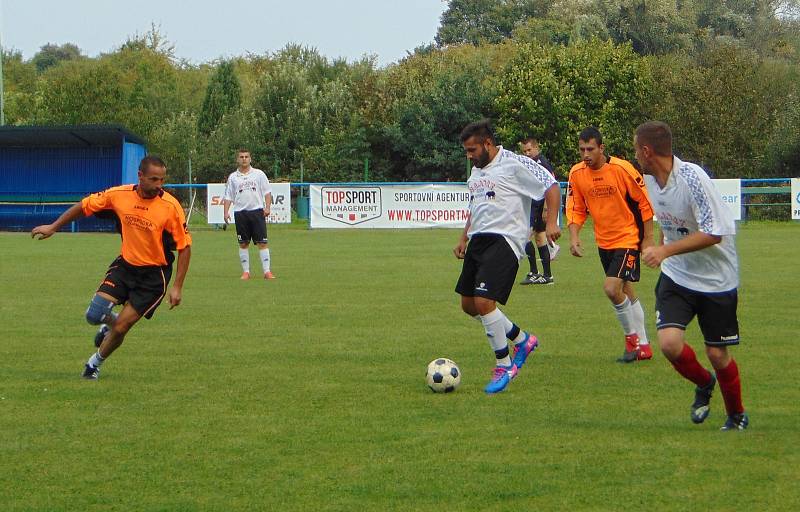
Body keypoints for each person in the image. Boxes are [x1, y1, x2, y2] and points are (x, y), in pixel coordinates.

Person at [31, 156, 192, 380]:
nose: (159, 185)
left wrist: (177, 287)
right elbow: (84, 206)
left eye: (162, 180)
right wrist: (53, 227)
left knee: (122, 328)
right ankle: (110, 325)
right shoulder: (119, 195)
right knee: (94, 315)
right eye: (153, 179)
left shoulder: (170, 206)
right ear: (140, 176)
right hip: (125, 267)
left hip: (153, 278)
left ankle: (93, 364)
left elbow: (185, 247)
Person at [635, 121, 748, 430]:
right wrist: (660, 244)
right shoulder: (649, 180)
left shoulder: (692, 178)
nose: (636, 155)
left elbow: (713, 233)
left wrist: (663, 252)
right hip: (678, 276)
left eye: (636, 149)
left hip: (716, 279)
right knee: (670, 344)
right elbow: (669, 219)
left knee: (716, 352)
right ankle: (703, 383)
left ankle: (736, 415)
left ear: (647, 151)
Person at [454, 120, 561, 394]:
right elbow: (475, 206)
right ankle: (522, 339)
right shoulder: (476, 174)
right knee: (469, 305)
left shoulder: (514, 163)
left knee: (484, 301)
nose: (469, 156)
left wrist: (551, 221)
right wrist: (464, 237)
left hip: (505, 240)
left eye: (472, 150)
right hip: (479, 239)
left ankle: (504, 365)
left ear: (487, 144)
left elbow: (550, 185)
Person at [566, 127, 654, 363]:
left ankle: (631, 341)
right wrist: (574, 236)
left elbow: (645, 204)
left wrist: (647, 239)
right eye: (582, 149)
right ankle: (644, 346)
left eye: (591, 149)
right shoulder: (577, 173)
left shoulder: (622, 169)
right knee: (625, 290)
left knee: (611, 288)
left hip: (627, 238)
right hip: (604, 242)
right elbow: (576, 208)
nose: (586, 154)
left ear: (601, 148)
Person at [223, 149, 275, 280]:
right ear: (237, 160)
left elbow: (267, 192)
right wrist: (225, 212)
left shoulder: (259, 174)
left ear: (250, 159)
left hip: (257, 212)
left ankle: (267, 271)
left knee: (262, 243)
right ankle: (246, 272)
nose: (244, 159)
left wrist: (267, 207)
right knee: (243, 243)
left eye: (246, 157)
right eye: (241, 157)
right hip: (240, 213)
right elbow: (228, 196)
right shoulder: (233, 177)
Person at [519, 137, 560, 285]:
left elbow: (551, 186)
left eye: (529, 150)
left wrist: (546, 209)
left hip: (539, 205)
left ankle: (537, 272)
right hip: (533, 204)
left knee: (525, 236)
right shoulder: (528, 163)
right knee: (538, 237)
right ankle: (544, 275)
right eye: (524, 151)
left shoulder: (541, 164)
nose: (527, 153)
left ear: (537, 148)